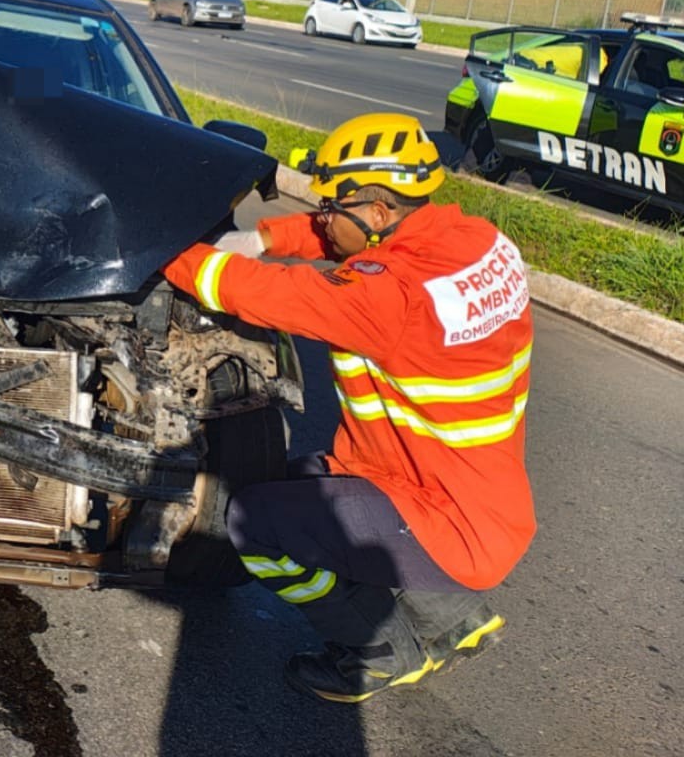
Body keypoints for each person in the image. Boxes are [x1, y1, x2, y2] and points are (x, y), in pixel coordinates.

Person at [161, 112, 533, 703]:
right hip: (466, 493)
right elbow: (350, 237)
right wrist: (267, 238)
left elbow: (259, 292)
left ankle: (377, 650)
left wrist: (164, 247)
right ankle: (454, 617)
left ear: (381, 213)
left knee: (250, 522)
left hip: (444, 519)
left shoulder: (389, 297)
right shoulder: (477, 243)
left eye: (333, 205)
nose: (324, 217)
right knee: (279, 484)